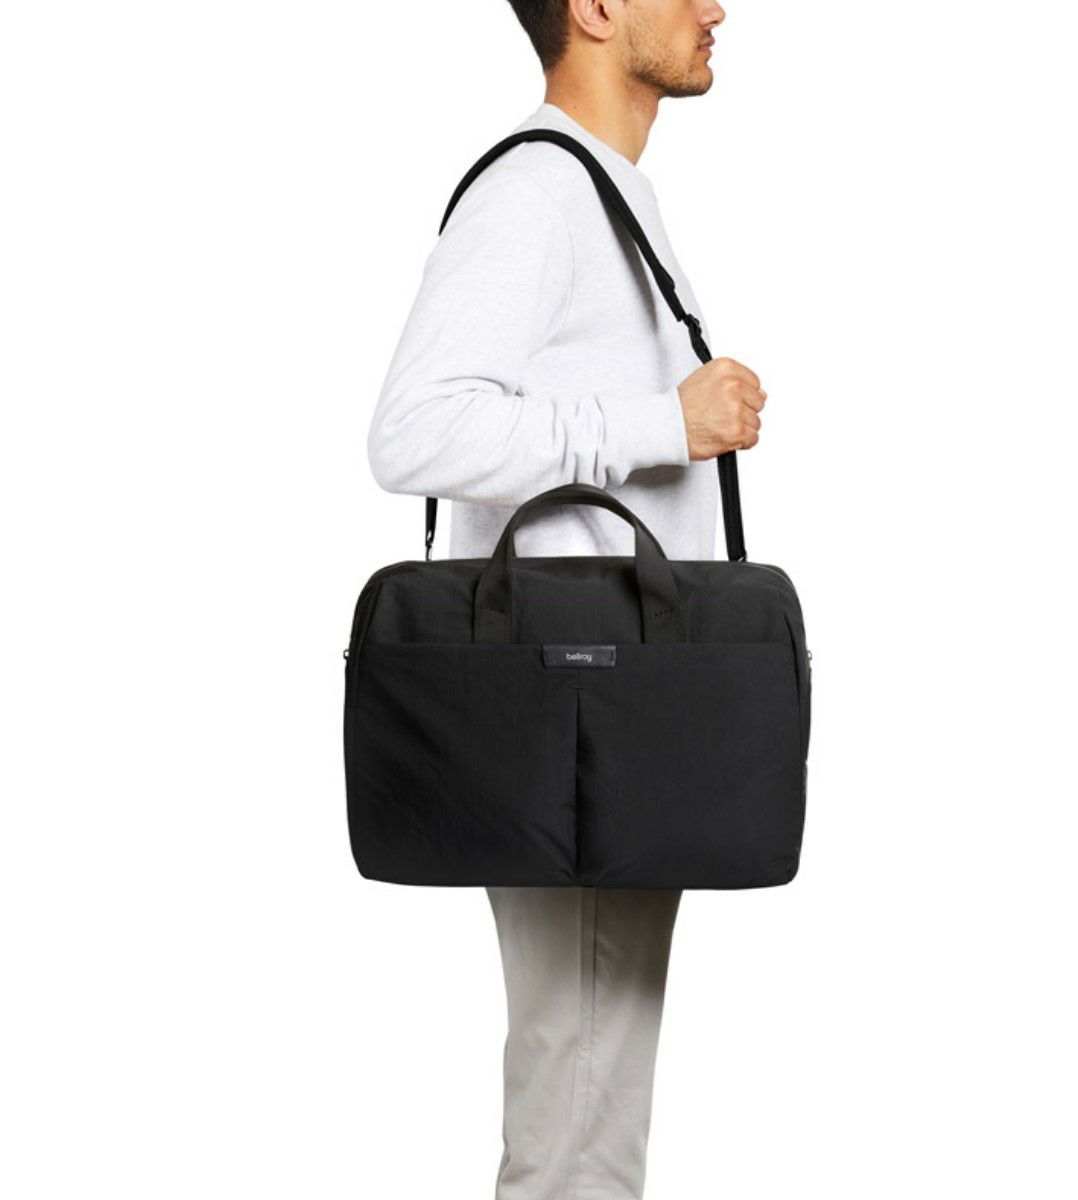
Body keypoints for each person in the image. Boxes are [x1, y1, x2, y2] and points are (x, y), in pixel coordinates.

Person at [367, 2, 767, 1196]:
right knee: (577, 1121)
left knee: (594, 1103)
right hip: (578, 723)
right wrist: (662, 422)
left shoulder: (605, 196)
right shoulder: (538, 195)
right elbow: (414, 432)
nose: (714, 6)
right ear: (593, 8)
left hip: (617, 718)